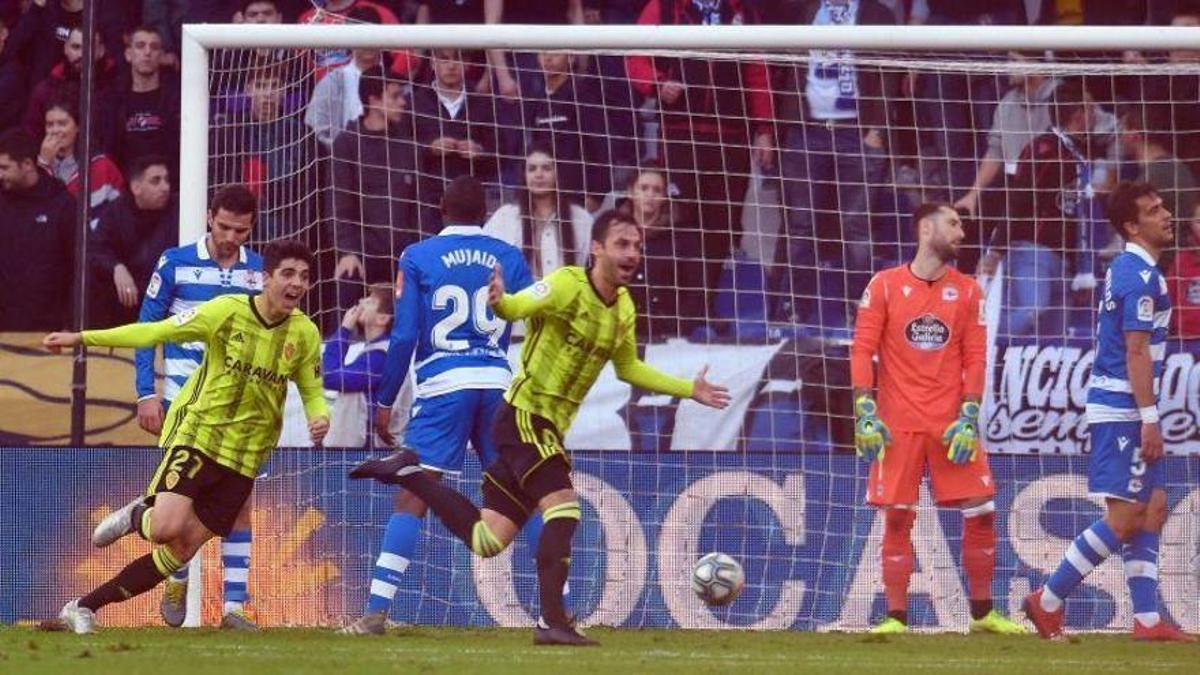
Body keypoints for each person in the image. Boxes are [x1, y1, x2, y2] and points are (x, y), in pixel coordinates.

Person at [350, 209, 731, 646]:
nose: (633, 253)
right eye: (623, 243)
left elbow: (627, 369)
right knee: (564, 509)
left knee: (487, 539)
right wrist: (500, 299)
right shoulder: (568, 283)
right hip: (524, 417)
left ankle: (408, 473)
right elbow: (521, 304)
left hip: (543, 425)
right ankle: (555, 622)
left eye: (638, 246)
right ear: (597, 248)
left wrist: (689, 389)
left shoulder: (623, 307)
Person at [49, 239, 330, 635]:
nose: (297, 284)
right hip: (198, 435)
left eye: (304, 277)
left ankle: (82, 607)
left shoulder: (305, 333)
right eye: (288, 274)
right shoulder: (227, 312)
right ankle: (137, 516)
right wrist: (82, 339)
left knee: (180, 551)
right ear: (265, 278)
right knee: (165, 528)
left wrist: (320, 416)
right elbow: (155, 331)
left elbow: (312, 389)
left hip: (246, 457)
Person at [340, 175, 537, 635]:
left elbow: (405, 334)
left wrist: (386, 399)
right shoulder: (508, 256)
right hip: (498, 385)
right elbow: (531, 315)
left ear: (441, 210)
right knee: (524, 492)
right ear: (485, 213)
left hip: (445, 386)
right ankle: (557, 607)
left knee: (415, 489)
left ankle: (375, 612)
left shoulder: (419, 255)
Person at [1024, 183, 1194, 642]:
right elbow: (1136, 351)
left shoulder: (1138, 271)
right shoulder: (1137, 276)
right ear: (1131, 227)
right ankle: (1048, 599)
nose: (1166, 215)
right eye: (1154, 210)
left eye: (1164, 206)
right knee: (1124, 517)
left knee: (1153, 507)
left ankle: (1147, 621)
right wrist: (1149, 418)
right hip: (1123, 408)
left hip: (1125, 405)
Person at [850, 202, 1025, 635]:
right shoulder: (885, 285)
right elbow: (861, 350)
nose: (962, 233)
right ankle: (895, 618)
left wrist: (969, 414)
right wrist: (864, 410)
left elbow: (976, 356)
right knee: (896, 517)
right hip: (897, 424)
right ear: (926, 229)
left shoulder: (968, 291)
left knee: (982, 511)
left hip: (951, 425)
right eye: (954, 223)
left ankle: (984, 614)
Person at [132, 185, 264, 630]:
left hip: (239, 411)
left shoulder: (259, 272)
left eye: (240, 230)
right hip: (184, 403)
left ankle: (233, 608)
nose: (230, 236)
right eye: (224, 226)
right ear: (209, 217)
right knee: (180, 507)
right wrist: (146, 393)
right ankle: (177, 574)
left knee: (241, 505)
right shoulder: (175, 262)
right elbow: (147, 329)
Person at [626, 0, 775, 313]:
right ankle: (677, 305)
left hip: (731, 137)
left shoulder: (744, 11)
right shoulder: (665, 7)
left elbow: (758, 71)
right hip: (680, 134)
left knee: (722, 225)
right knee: (682, 221)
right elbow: (634, 52)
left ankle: (704, 305)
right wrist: (657, 83)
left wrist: (764, 128)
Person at [775, 0, 897, 328]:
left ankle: (858, 310)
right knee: (800, 224)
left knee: (856, 227)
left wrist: (878, 129)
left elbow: (888, 74)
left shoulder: (877, 13)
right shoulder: (803, 8)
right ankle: (794, 307)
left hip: (857, 133)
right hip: (807, 130)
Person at [330, 65, 420, 310]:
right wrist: (347, 250)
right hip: (362, 250)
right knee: (347, 275)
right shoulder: (346, 143)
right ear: (374, 100)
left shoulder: (407, 144)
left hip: (403, 251)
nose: (402, 102)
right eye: (395, 96)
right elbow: (340, 204)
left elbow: (419, 207)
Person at [210, 65, 316, 240]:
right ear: (248, 90)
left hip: (288, 227)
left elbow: (309, 190)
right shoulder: (229, 132)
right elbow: (217, 180)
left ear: (284, 90)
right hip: (237, 225)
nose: (268, 93)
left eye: (274, 85)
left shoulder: (302, 134)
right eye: (260, 85)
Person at [411, 48, 496, 234]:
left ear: (467, 64)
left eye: (457, 59)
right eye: (444, 59)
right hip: (428, 202)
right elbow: (401, 151)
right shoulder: (414, 103)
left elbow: (502, 151)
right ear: (433, 63)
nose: (451, 66)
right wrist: (429, 149)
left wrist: (480, 151)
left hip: (473, 203)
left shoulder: (484, 103)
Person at [0, 128, 76, 331]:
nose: (0, 174)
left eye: (4, 167)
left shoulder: (61, 203)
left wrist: (69, 322)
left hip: (48, 326)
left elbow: (76, 267)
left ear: (26, 165)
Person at [88, 155, 177, 328]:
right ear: (136, 187)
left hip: (169, 299)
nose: (165, 187)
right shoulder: (116, 212)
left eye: (166, 180)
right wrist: (116, 267)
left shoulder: (180, 208)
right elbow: (95, 248)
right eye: (155, 181)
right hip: (127, 300)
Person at [619, 164, 705, 341]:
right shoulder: (612, 232)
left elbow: (696, 292)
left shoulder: (684, 238)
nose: (650, 195)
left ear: (665, 196)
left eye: (657, 190)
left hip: (671, 336)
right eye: (643, 188)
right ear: (630, 192)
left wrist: (677, 330)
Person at [484, 144, 593, 278]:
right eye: (532, 169)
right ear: (524, 175)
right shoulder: (505, 217)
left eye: (546, 168)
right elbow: (484, 260)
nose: (539, 174)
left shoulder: (581, 218)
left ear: (557, 173)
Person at [322, 283, 403, 449]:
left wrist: (345, 328)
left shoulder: (380, 358)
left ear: (382, 318)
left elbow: (328, 376)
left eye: (371, 301)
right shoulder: (376, 352)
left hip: (368, 452)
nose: (361, 301)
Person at [97, 26, 181, 178]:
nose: (147, 52)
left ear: (161, 56)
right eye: (140, 46)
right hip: (123, 188)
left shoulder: (177, 99)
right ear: (128, 54)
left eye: (154, 47)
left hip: (169, 186)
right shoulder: (111, 101)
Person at [23, 26, 118, 139]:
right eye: (75, 47)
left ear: (101, 51)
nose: (81, 54)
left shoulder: (116, 87)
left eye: (89, 48)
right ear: (65, 49)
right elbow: (32, 135)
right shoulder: (45, 91)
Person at [38, 95, 125, 208]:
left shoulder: (102, 166)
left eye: (62, 124)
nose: (55, 130)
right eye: (50, 125)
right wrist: (44, 164)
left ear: (78, 126)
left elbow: (120, 213)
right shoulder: (36, 165)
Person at [1167, 203, 1200, 351]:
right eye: (1199, 222)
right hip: (1184, 343)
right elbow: (1167, 300)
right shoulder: (1181, 261)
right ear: (1191, 225)